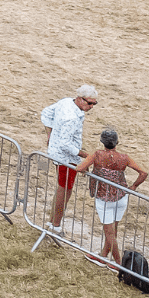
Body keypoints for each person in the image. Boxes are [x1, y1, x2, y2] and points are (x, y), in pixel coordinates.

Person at [78, 128, 148, 266]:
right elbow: (143, 173)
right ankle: (104, 255)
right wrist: (133, 186)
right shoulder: (124, 158)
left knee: (110, 233)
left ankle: (118, 264)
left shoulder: (97, 154)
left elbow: (80, 168)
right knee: (113, 230)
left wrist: (87, 171)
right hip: (121, 197)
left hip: (104, 198)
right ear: (117, 142)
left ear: (102, 142)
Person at [40, 85, 100, 230]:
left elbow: (46, 113)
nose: (91, 106)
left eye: (94, 103)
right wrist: (86, 156)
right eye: (89, 103)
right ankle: (55, 224)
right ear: (79, 99)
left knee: (63, 188)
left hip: (58, 152)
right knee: (65, 189)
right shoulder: (71, 118)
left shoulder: (66, 101)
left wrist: (50, 134)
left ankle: (53, 220)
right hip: (66, 158)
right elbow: (65, 144)